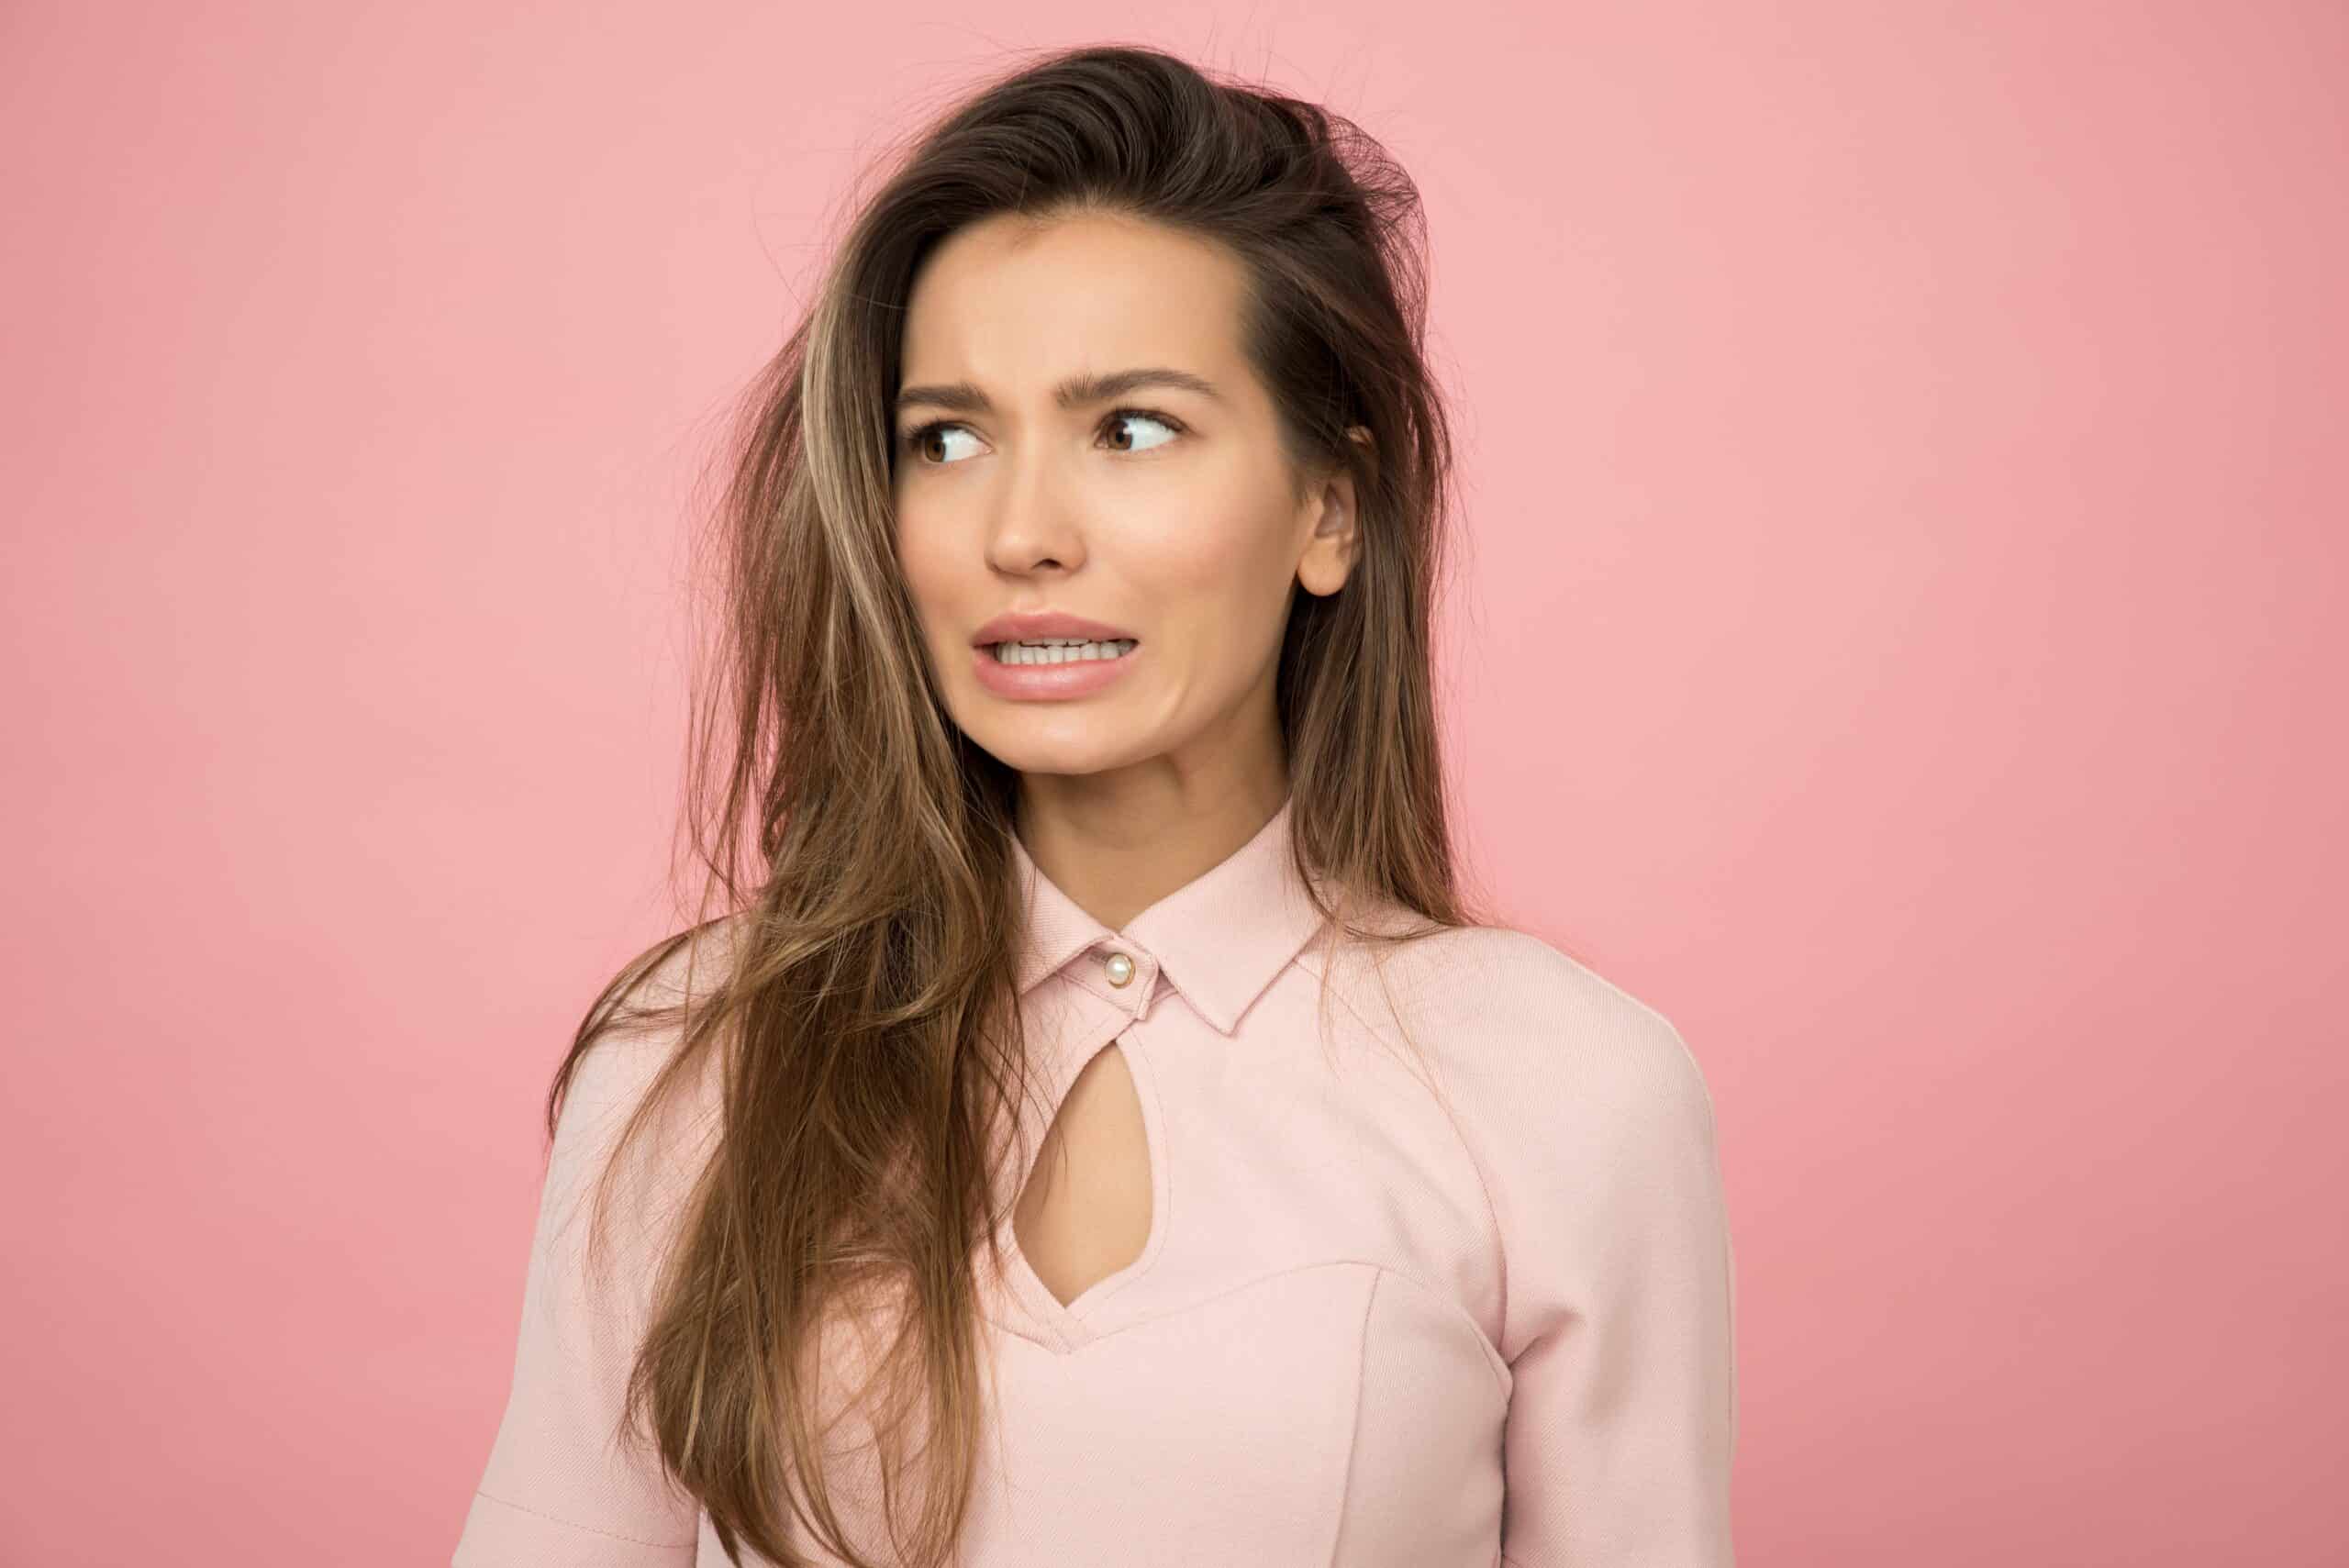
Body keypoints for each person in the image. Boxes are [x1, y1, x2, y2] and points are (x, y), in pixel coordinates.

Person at [451, 41, 1735, 1568]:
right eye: (948, 436)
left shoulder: (1568, 1086)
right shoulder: (697, 1062)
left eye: (1129, 428)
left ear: (1331, 508)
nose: (1020, 531)